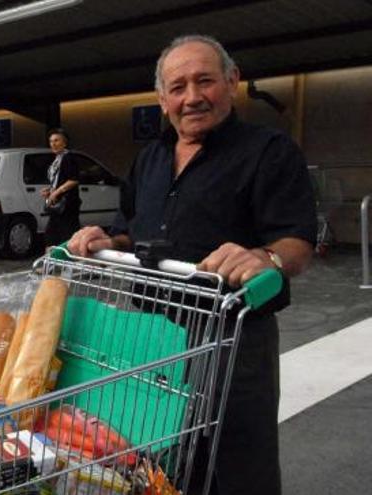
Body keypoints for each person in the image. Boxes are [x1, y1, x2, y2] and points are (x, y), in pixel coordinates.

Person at [67, 35, 316, 495]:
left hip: (232, 343)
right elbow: (130, 227)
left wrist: (267, 257)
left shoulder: (268, 151)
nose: (193, 97)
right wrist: (107, 239)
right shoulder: (151, 158)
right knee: (160, 460)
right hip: (152, 338)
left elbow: (298, 240)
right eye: (178, 87)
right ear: (163, 100)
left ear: (232, 81)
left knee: (241, 468)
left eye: (205, 81)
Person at [41, 128, 81, 247]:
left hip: (67, 205)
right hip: (56, 204)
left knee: (66, 236)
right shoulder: (56, 160)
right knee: (51, 235)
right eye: (51, 141)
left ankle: (67, 261)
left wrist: (56, 192)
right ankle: (52, 262)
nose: (53, 144)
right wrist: (49, 191)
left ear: (64, 143)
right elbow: (58, 181)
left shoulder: (69, 158)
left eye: (56, 141)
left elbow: (73, 180)